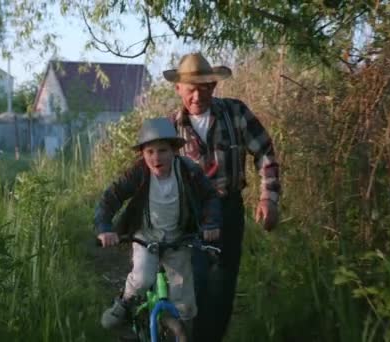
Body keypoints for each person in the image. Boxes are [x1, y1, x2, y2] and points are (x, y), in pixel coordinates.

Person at [163, 52, 281, 341]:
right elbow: (155, 175)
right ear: (178, 88)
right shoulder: (170, 128)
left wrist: (269, 197)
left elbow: (265, 150)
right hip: (190, 217)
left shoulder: (235, 113)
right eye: (190, 88)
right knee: (195, 283)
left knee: (223, 287)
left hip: (228, 210)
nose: (197, 95)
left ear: (214, 86)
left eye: (205, 87)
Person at [94, 118, 222, 338]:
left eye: (162, 151)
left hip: (178, 237)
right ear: (142, 154)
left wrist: (211, 224)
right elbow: (111, 198)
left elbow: (210, 196)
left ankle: (182, 332)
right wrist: (105, 228)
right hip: (147, 236)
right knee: (143, 278)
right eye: (150, 151)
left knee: (185, 302)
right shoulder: (139, 172)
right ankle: (124, 304)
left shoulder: (188, 171)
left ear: (174, 150)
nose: (156, 158)